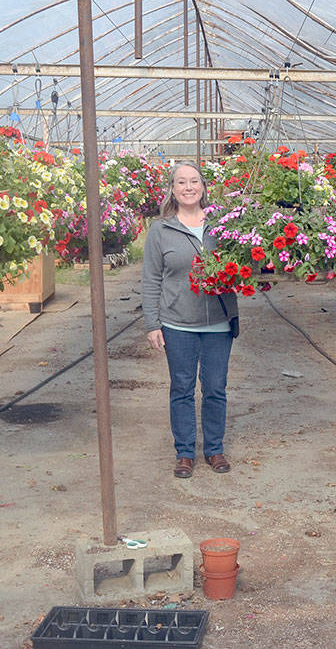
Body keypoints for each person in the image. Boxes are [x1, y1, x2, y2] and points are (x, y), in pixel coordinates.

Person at [142, 162, 239, 479]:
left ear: (203, 187)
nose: (188, 187)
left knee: (215, 388)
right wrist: (152, 322)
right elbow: (151, 279)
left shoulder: (223, 226)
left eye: (194, 181)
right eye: (181, 182)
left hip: (218, 324)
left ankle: (214, 449)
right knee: (181, 389)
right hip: (177, 323)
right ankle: (185, 453)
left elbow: (241, 263)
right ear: (172, 188)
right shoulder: (161, 230)